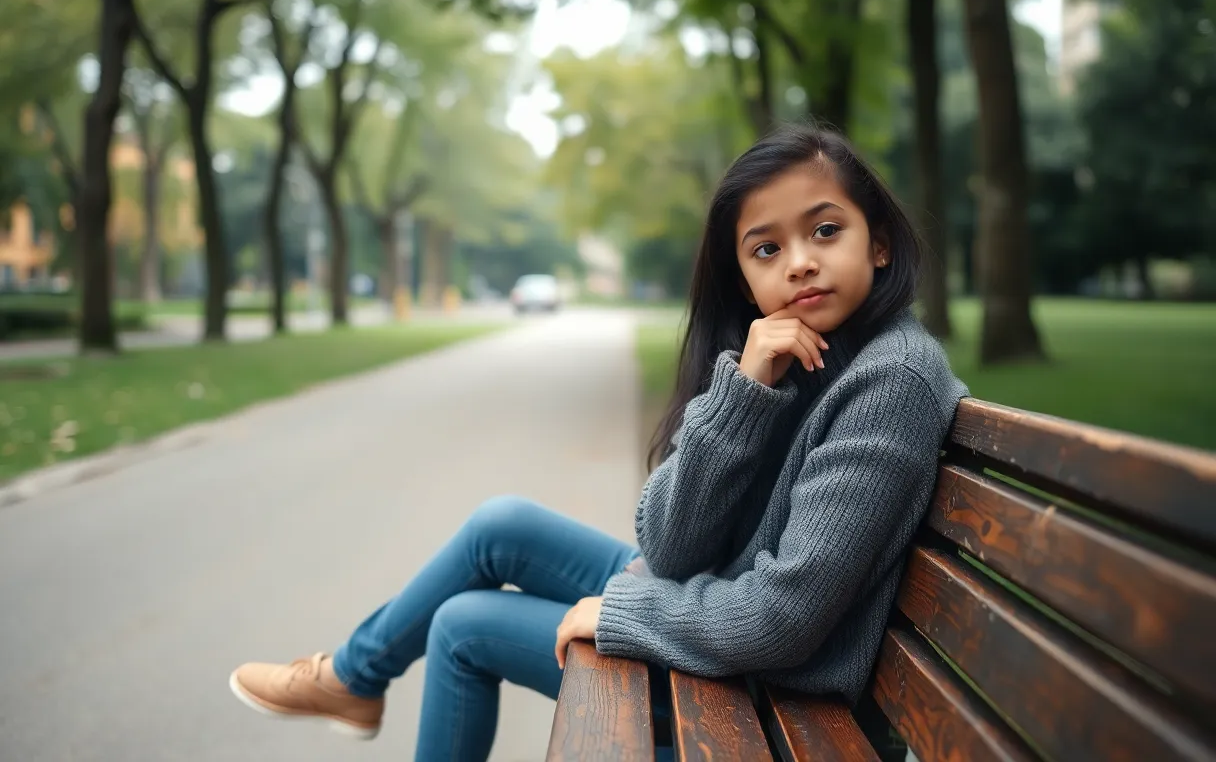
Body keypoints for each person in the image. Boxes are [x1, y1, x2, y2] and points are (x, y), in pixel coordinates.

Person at [227, 124, 968, 759]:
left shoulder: (890, 379)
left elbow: (783, 620)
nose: (800, 261)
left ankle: (354, 679)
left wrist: (622, 616)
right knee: (501, 524)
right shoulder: (786, 358)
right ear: (744, 281)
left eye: (825, 230)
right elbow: (672, 549)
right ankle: (354, 679)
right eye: (765, 249)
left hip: (775, 700)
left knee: (461, 626)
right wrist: (745, 392)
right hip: (726, 620)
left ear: (878, 244)